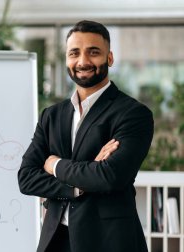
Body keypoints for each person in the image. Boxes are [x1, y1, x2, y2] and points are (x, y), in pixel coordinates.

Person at [18, 20, 154, 252]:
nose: (83, 61)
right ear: (67, 60)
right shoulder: (51, 115)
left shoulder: (132, 114)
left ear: (109, 58)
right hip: (56, 239)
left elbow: (110, 176)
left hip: (108, 241)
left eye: (93, 52)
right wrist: (79, 184)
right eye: (74, 53)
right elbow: (26, 178)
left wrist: (55, 164)